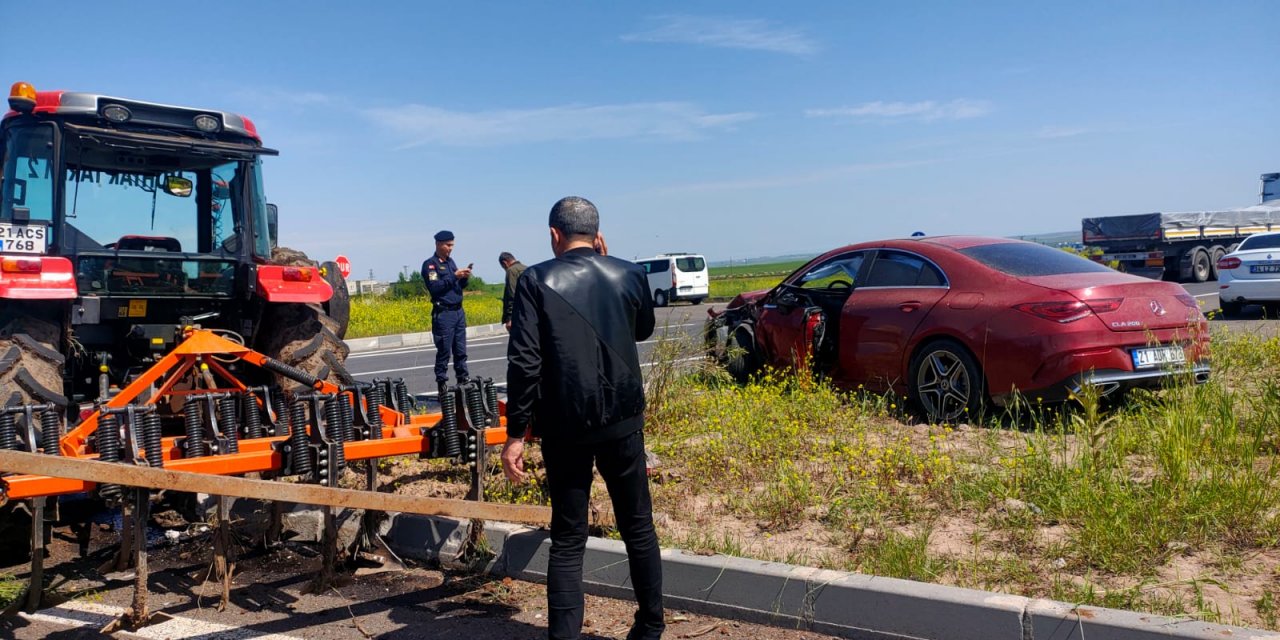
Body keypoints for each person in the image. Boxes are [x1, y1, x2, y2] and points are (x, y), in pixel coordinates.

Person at [501, 197, 663, 640]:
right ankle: (650, 627)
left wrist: (516, 433)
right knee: (638, 527)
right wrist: (612, 272)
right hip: (624, 421)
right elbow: (642, 328)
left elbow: (524, 362)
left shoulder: (534, 279)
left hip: (565, 426)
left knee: (569, 539)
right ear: (597, 233)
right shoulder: (629, 273)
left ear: (555, 234)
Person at [421, 230, 471, 397]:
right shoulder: (431, 265)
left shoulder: (450, 263)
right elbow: (435, 288)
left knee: (461, 349)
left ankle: (463, 380)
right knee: (444, 350)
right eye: (448, 245)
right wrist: (454, 277)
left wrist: (463, 278)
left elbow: (455, 286)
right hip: (444, 314)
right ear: (438, 244)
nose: (451, 248)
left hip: (458, 312)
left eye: (452, 245)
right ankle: (442, 384)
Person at [498, 251, 527, 331]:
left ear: (505, 263)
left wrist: (510, 318)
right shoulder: (526, 268)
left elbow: (512, 294)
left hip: (518, 314)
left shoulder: (511, 271)